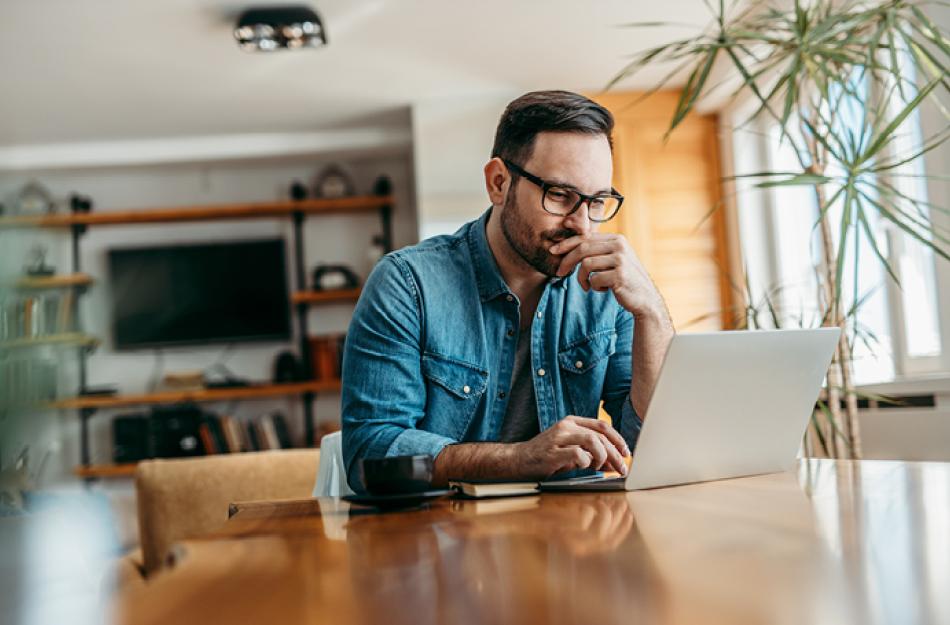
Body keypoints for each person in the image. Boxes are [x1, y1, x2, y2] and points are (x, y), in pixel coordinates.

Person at [341, 90, 674, 492]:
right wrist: (522, 459)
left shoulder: (608, 290)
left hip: (575, 538)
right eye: (560, 196)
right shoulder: (407, 284)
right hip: (443, 538)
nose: (583, 225)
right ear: (499, 183)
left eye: (597, 201)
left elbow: (656, 444)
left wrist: (651, 312)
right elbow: (370, 454)